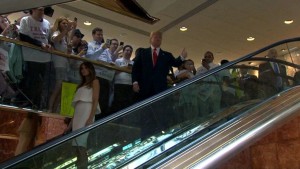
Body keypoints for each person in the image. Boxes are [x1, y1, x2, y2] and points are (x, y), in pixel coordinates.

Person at [132, 31, 187, 101]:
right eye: (156, 37)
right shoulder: (142, 52)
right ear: (150, 39)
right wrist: (135, 82)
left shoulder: (167, 55)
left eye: (160, 38)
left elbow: (175, 63)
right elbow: (135, 68)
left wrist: (182, 57)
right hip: (143, 87)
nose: (158, 39)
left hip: (160, 89)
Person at [65, 61, 100, 168]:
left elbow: (95, 100)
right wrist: (70, 126)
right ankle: (80, 166)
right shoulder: (80, 85)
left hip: (87, 112)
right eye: (82, 68)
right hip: (78, 114)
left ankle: (83, 166)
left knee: (81, 145)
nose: (83, 70)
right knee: (76, 145)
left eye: (85, 68)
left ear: (90, 69)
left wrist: (90, 117)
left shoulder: (95, 81)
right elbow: (76, 109)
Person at [18, 7, 52, 109]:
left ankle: (36, 105)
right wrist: (40, 44)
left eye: (43, 10)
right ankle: (27, 104)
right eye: (39, 10)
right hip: (31, 57)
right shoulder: (26, 20)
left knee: (41, 84)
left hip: (45, 58)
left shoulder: (47, 23)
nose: (42, 12)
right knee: (30, 82)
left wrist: (49, 45)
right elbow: (23, 36)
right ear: (33, 10)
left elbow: (47, 38)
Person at [48, 17, 74, 113]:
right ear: (58, 24)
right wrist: (65, 31)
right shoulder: (57, 32)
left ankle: (54, 109)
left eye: (66, 24)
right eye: (63, 23)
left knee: (61, 90)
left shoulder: (67, 37)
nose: (65, 25)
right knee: (57, 88)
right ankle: (50, 109)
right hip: (58, 63)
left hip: (65, 64)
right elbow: (54, 39)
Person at [109, 45, 134, 113]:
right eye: (127, 50)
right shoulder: (118, 61)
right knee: (117, 102)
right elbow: (114, 72)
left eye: (130, 51)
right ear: (123, 52)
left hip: (129, 85)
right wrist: (125, 68)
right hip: (119, 84)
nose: (129, 52)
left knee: (127, 104)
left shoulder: (133, 63)